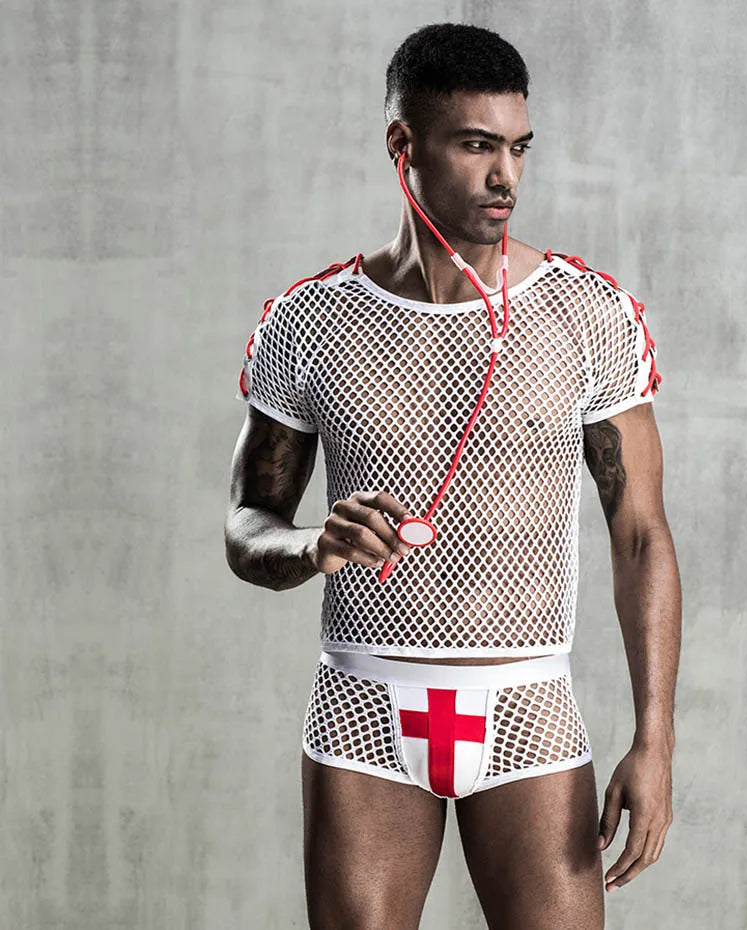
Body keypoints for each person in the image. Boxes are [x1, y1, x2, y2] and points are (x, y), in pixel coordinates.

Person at [225, 21, 681, 930]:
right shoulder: (311, 323)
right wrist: (313, 546)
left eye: (518, 147)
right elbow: (247, 526)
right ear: (405, 145)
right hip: (363, 709)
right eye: (477, 146)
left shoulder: (586, 314)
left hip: (527, 707)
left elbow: (641, 536)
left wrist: (655, 740)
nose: (506, 175)